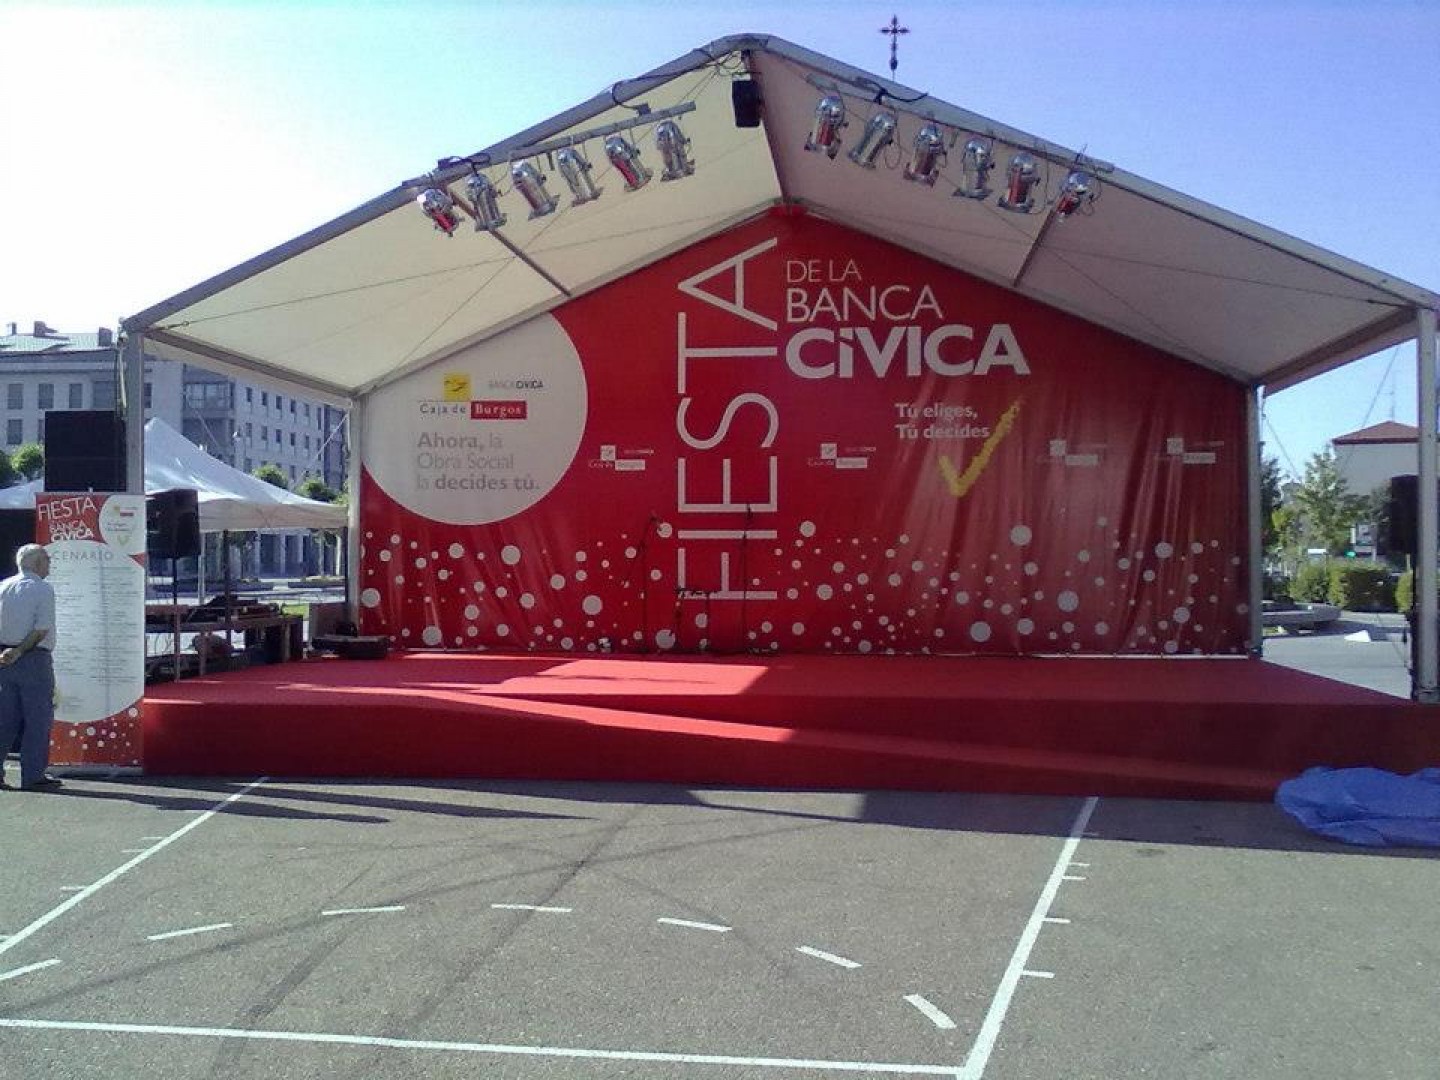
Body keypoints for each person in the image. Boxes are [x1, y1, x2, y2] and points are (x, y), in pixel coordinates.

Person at [0, 544, 59, 791]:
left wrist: (8, 651)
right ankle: (33, 775)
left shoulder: (4, 586)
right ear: (37, 563)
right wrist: (20, 650)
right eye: (47, 560)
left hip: (4, 658)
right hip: (33, 659)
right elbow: (41, 628)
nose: (49, 565)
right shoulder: (43, 589)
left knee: (5, 719)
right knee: (38, 719)